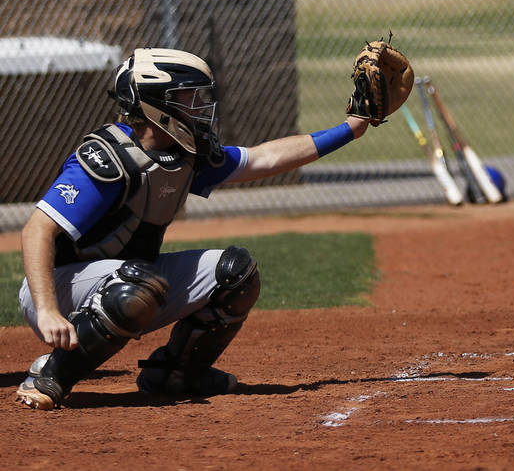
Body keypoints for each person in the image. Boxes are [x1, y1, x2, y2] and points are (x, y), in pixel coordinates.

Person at [15, 46, 407, 410]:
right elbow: (37, 230)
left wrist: (350, 128)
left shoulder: (185, 152)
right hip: (57, 291)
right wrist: (48, 311)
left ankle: (175, 374)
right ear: (156, 104)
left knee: (236, 273)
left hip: (131, 283)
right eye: (189, 99)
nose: (201, 107)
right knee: (137, 284)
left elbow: (262, 158)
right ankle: (50, 374)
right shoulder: (109, 158)